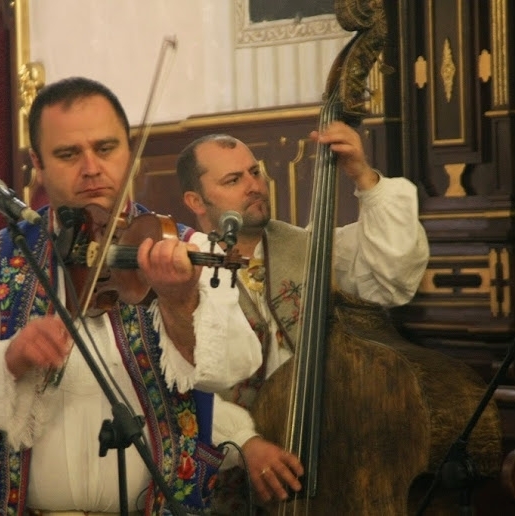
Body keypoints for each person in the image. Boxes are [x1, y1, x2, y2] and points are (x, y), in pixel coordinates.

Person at [0, 77, 263, 516]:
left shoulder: (188, 249)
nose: (91, 168)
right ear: (38, 164)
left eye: (106, 148)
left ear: (130, 151)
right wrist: (8, 357)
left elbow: (235, 366)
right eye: (68, 154)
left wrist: (180, 303)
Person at [175, 126, 430, 512]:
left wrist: (363, 176)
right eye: (233, 179)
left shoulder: (310, 248)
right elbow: (179, 385)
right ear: (196, 200)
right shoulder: (180, 275)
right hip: (228, 473)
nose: (253, 186)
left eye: (255, 172)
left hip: (328, 456)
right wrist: (245, 442)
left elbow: (392, 279)